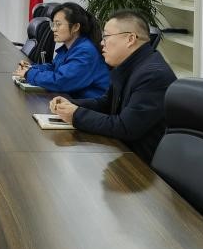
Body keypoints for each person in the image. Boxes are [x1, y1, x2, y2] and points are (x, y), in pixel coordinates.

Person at [49, 9, 176, 163]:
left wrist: (76, 115)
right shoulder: (130, 66)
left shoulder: (153, 75)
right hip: (122, 153)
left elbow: (126, 127)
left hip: (141, 166)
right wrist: (71, 104)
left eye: (106, 37)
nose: (102, 43)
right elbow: (106, 103)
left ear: (130, 39)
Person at [14, 2, 109, 98]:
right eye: (53, 24)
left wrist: (29, 74)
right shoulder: (68, 47)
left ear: (76, 27)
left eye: (58, 24)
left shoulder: (85, 51)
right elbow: (54, 68)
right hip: (71, 100)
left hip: (86, 104)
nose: (54, 29)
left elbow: (61, 81)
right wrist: (30, 68)